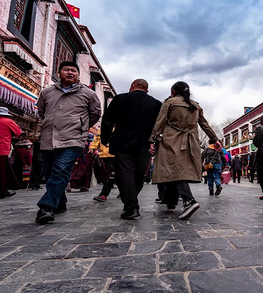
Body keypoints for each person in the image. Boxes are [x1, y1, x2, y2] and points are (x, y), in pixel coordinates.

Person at [35, 61, 101, 224]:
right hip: (49, 138)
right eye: (66, 70)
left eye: (73, 70)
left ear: (78, 74)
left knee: (61, 170)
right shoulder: (47, 92)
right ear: (59, 73)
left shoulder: (88, 94)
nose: (70, 73)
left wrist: (80, 126)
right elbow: (42, 111)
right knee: (50, 172)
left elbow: (95, 114)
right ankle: (60, 202)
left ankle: (46, 207)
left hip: (73, 139)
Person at [150, 81, 220, 219]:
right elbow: (204, 124)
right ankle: (170, 202)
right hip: (190, 141)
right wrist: (215, 139)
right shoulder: (195, 105)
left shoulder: (170, 102)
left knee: (173, 169)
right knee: (177, 168)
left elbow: (160, 121)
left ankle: (189, 200)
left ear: (174, 91)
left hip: (171, 139)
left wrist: (152, 139)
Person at [100, 79, 162, 219]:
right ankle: (131, 202)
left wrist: (105, 139)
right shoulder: (156, 104)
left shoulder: (120, 99)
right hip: (145, 144)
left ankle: (131, 206)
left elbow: (107, 120)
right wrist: (155, 142)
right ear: (147, 89)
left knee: (125, 173)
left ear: (132, 86)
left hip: (123, 142)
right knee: (139, 175)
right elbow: (160, 126)